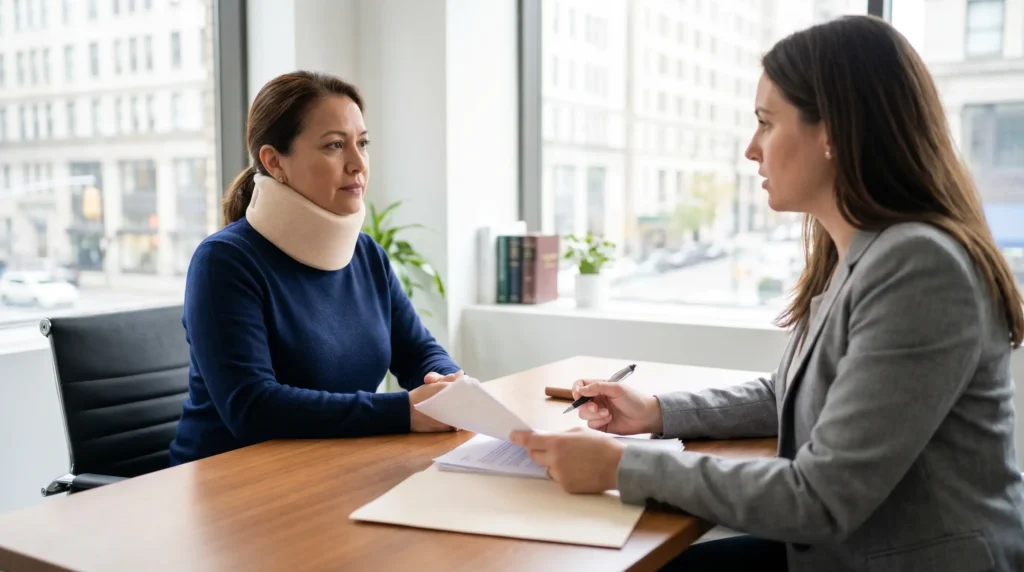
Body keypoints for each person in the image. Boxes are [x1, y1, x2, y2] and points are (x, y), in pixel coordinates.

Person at [510, 15, 1024, 572]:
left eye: (765, 123)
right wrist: (655, 412)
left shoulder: (919, 268)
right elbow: (789, 393)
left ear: (832, 132)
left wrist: (618, 468)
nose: (751, 150)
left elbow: (820, 499)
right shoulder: (856, 253)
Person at [169, 71, 462, 465]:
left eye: (362, 143)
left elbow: (417, 352)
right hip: (230, 480)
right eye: (334, 145)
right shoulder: (224, 262)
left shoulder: (366, 255)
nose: (357, 164)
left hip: (330, 466)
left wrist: (448, 385)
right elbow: (252, 406)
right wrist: (404, 411)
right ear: (274, 161)